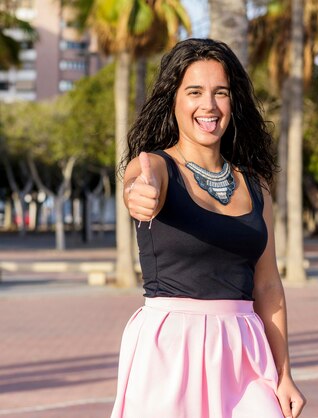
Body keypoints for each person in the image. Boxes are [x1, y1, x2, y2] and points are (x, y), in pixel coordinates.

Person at [110, 38, 306, 418]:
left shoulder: (256, 185)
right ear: (174, 100)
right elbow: (137, 185)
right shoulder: (155, 167)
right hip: (171, 349)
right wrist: (138, 196)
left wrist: (284, 374)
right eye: (195, 92)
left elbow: (267, 284)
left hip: (245, 353)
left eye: (221, 93)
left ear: (234, 102)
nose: (209, 106)